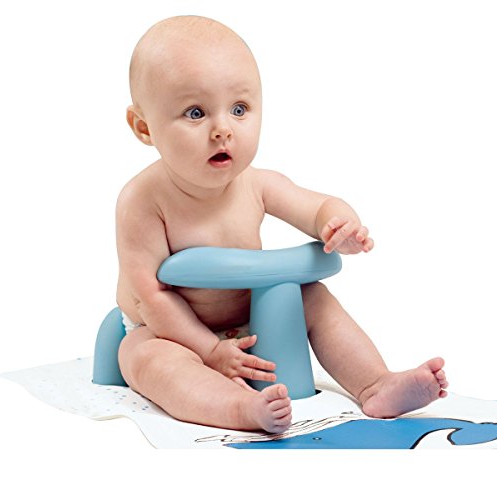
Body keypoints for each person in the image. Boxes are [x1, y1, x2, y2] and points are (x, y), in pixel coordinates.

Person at [116, 15, 448, 433]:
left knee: (314, 297)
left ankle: (375, 384)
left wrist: (339, 225)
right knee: (145, 359)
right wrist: (209, 350)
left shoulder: (257, 184)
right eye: (196, 113)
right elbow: (151, 297)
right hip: (170, 330)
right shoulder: (142, 201)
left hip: (251, 314)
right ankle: (238, 408)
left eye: (239, 109)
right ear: (144, 127)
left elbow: (316, 207)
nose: (223, 130)